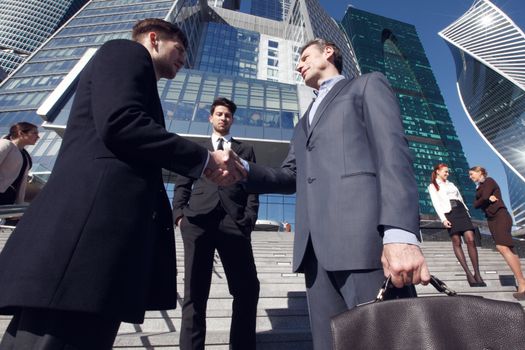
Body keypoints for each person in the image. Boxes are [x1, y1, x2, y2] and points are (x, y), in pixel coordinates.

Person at [0, 18, 243, 349]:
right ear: (154, 39)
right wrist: (203, 160)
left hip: (98, 254)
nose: (184, 59)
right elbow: (122, 123)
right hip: (84, 243)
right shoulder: (125, 53)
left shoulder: (138, 74)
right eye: (180, 49)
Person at [237, 38, 430, 350]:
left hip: (365, 243)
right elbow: (291, 176)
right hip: (314, 255)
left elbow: (393, 154)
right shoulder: (302, 124)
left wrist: (400, 234)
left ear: (328, 51)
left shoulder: (367, 86)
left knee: (390, 341)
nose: (298, 65)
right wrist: (244, 171)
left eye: (303, 57)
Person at [173, 97, 260, 350]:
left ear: (232, 120)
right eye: (219, 114)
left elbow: (252, 188)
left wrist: (249, 218)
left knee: (247, 289)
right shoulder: (196, 149)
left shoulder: (245, 150)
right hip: (198, 221)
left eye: (228, 115)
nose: (224, 118)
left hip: (234, 222)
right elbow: (182, 184)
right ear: (211, 118)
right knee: (195, 293)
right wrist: (179, 215)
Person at [469, 166, 525, 300]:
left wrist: (485, 198)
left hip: (501, 216)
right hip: (491, 219)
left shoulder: (489, 181)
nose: (470, 177)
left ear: (479, 172)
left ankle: (522, 283)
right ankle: (522, 282)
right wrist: (486, 199)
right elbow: (476, 204)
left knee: (501, 246)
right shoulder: (479, 187)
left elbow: (483, 198)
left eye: (472, 174)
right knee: (509, 248)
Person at [428, 163, 485, 287]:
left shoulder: (451, 184)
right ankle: (468, 273)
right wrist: (443, 219)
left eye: (448, 172)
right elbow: (436, 204)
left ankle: (477, 273)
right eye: (445, 171)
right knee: (457, 241)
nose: (447, 174)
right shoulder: (433, 186)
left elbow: (460, 199)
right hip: (449, 212)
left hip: (461, 211)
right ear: (437, 171)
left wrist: (467, 213)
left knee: (470, 239)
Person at [0, 122, 39, 206]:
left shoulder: (25, 156)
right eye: (34, 133)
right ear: (21, 133)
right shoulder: (6, 144)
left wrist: (19, 203)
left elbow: (22, 181)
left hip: (8, 198)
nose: (38, 136)